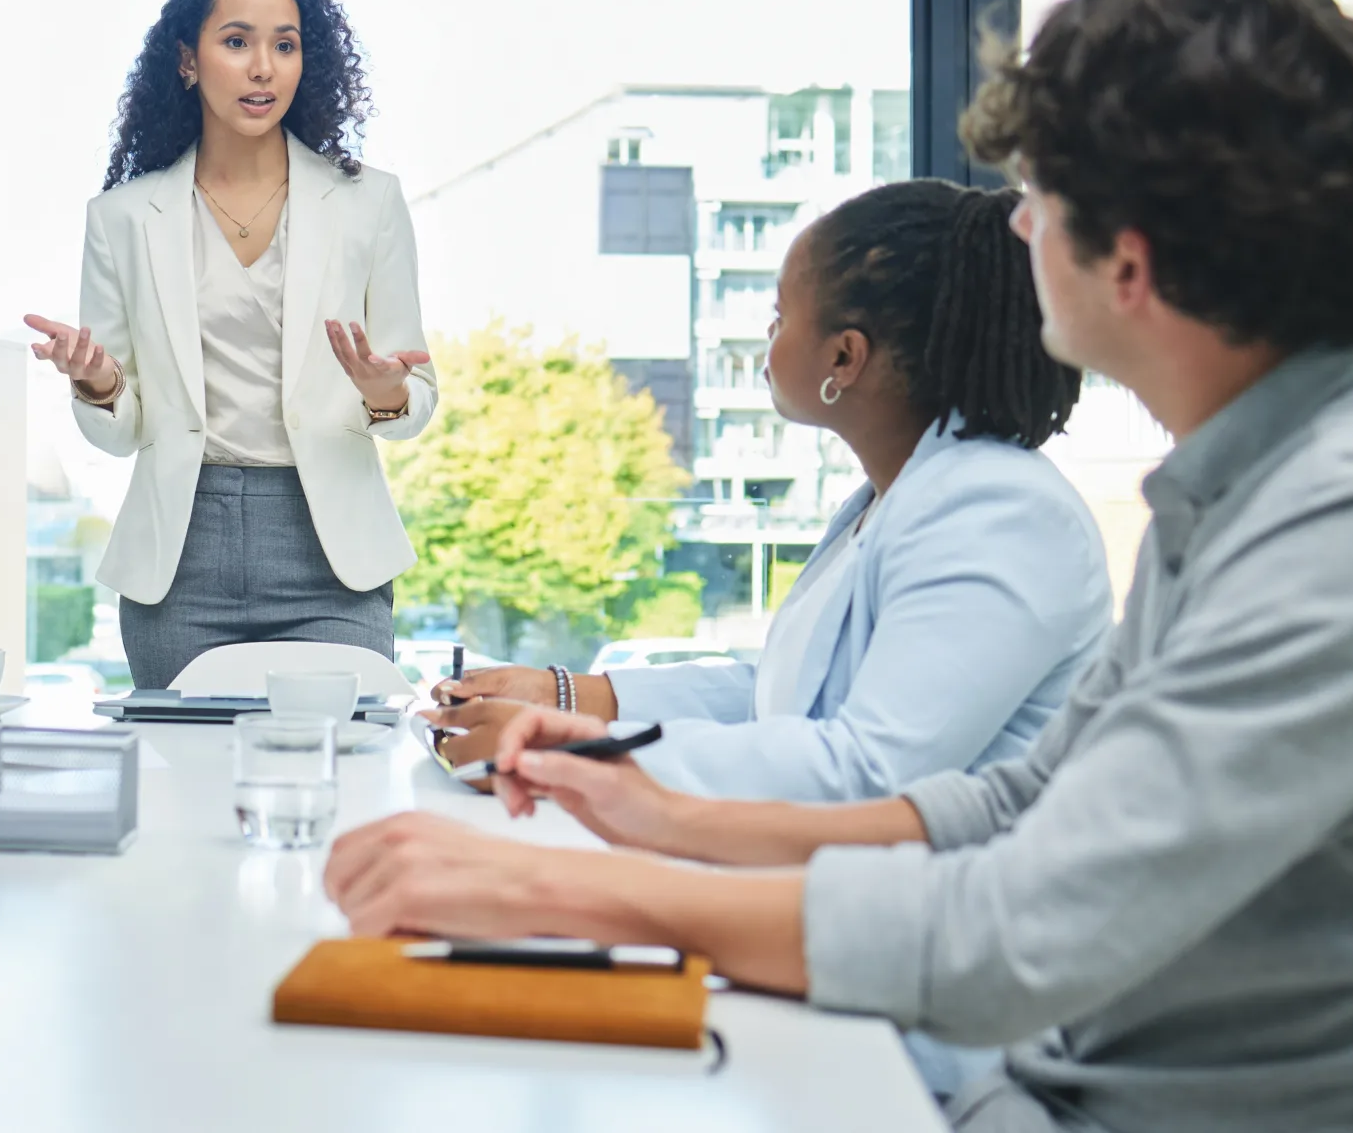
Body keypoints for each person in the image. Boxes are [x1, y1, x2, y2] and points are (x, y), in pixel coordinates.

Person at [325, 0, 1353, 1133]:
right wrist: (656, 812)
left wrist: (563, 888)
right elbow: (1017, 799)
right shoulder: (1245, 485)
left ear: (1132, 264)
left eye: (1038, 196)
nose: (1015, 221)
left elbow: (1020, 927)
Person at [429, 180, 1110, 803]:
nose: (767, 337)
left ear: (844, 357)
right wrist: (572, 695)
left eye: (780, 316)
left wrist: (571, 754)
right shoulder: (898, 494)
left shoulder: (999, 513)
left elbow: (868, 768)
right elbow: (788, 703)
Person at [23, 0, 435, 687]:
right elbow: (122, 431)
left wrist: (385, 394)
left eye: (284, 45)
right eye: (237, 41)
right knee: (185, 786)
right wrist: (98, 384)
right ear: (189, 61)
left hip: (331, 557)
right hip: (182, 562)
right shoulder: (121, 217)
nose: (263, 67)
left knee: (344, 785)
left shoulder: (369, 203)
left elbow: (416, 398)